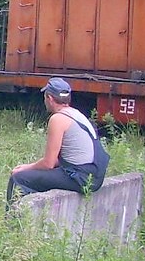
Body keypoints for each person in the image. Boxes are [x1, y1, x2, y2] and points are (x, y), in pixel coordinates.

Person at [7, 77, 109, 206]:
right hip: (93, 176)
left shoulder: (58, 119)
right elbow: (59, 160)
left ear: (49, 98)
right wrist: (30, 167)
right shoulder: (76, 114)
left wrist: (25, 168)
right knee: (35, 175)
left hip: (81, 178)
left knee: (18, 178)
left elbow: (48, 164)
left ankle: (13, 217)